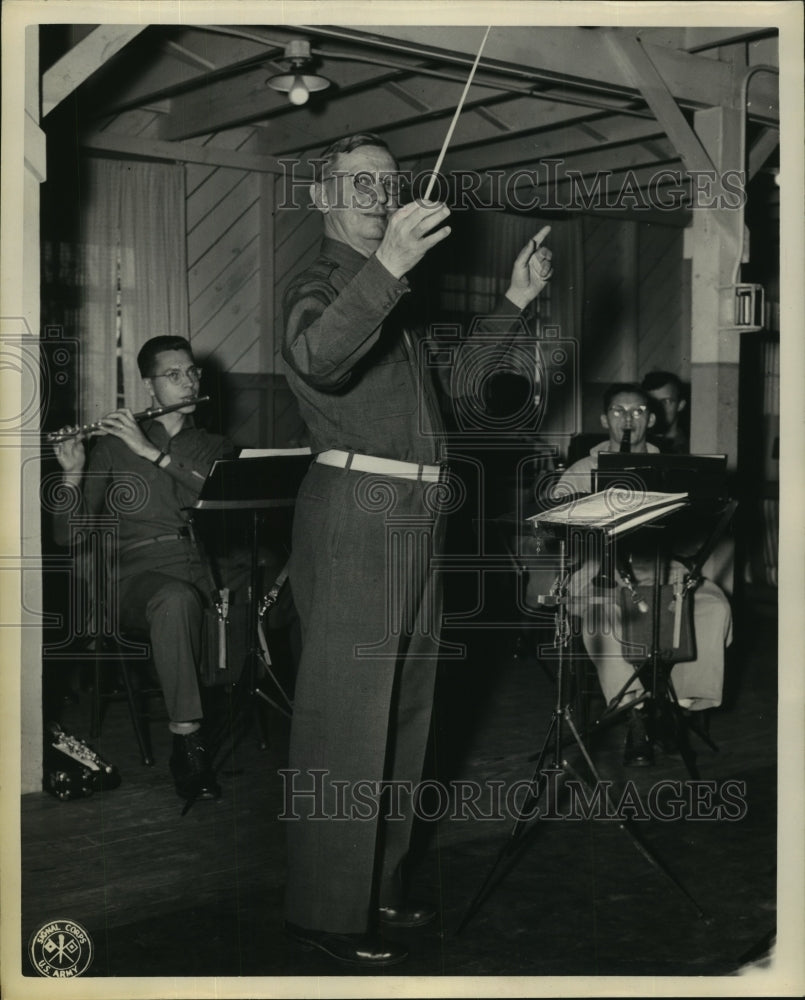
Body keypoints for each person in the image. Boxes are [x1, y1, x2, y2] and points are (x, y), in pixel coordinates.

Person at [280, 132, 553, 967]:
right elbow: (317, 358)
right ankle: (325, 910)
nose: (379, 194)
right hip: (358, 511)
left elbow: (458, 391)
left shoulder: (394, 296)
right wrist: (389, 267)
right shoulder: (321, 283)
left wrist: (513, 303)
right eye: (359, 182)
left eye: (388, 183)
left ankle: (378, 885)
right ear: (322, 197)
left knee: (404, 712)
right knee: (346, 719)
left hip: (421, 513)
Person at [51, 335, 238, 803]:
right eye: (173, 374)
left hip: (198, 570)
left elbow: (216, 499)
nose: (188, 382)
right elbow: (67, 536)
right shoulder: (113, 446)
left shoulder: (214, 446)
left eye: (192, 372)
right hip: (132, 579)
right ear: (149, 386)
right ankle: (188, 744)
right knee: (174, 600)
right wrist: (72, 472)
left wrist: (152, 452)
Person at [558, 383, 732, 766]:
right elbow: (559, 528)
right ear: (605, 419)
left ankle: (680, 704)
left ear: (650, 420)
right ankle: (634, 714)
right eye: (618, 411)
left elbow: (695, 530)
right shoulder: (582, 470)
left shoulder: (674, 469)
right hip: (602, 572)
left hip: (662, 569)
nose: (628, 419)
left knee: (712, 606)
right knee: (602, 617)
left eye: (637, 412)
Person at [641, 370, 689, 454]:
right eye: (652, 402)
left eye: (666, 401)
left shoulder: (692, 447)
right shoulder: (635, 444)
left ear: (680, 405)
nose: (658, 407)